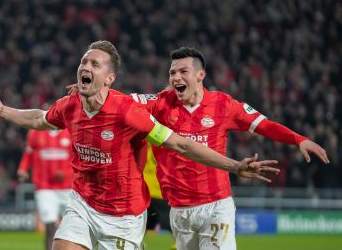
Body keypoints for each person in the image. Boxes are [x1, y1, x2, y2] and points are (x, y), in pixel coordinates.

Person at [0, 40, 279, 250]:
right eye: (84, 61)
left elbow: (180, 144)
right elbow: (40, 119)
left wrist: (235, 166)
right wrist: (5, 112)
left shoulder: (128, 113)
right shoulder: (70, 106)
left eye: (95, 63)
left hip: (123, 215)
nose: (86, 66)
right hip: (83, 202)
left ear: (109, 78)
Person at [131, 47, 329, 250]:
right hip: (179, 209)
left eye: (183, 72)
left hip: (215, 205)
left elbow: (264, 125)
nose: (176, 78)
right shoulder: (161, 103)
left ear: (201, 75)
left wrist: (298, 139)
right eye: (172, 73)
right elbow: (124, 103)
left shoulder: (223, 105)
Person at [17, 129, 73, 250]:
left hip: (68, 187)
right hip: (44, 186)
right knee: (50, 223)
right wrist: (23, 169)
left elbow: (78, 159)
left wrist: (66, 173)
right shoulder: (36, 132)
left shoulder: (70, 132)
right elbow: (28, 153)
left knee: (71, 225)